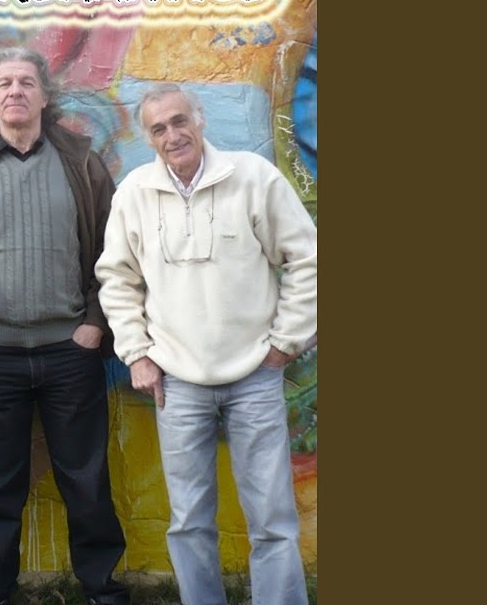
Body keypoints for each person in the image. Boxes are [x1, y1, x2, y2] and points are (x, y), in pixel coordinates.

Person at [95, 83, 317, 605]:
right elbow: (116, 278)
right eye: (159, 128)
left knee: (272, 519)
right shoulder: (135, 193)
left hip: (256, 375)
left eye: (180, 121)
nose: (172, 135)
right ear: (149, 138)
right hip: (177, 382)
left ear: (200, 121)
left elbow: (307, 259)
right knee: (189, 521)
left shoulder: (253, 178)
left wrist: (286, 341)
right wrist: (137, 354)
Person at [0, 47, 129, 605]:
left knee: (86, 479)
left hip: (71, 350)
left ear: (44, 96)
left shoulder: (83, 164)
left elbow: (117, 252)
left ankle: (101, 586)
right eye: (5, 84)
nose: (15, 91)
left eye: (26, 82)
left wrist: (95, 324)